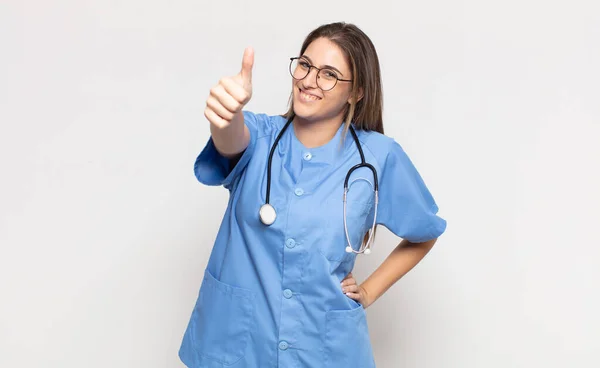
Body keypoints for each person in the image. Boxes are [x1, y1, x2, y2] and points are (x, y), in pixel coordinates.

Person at [179, 22, 447, 368]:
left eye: (329, 74)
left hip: (322, 349)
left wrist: (367, 291)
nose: (308, 80)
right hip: (239, 344)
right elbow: (231, 138)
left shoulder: (378, 157)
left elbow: (424, 234)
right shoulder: (260, 136)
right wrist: (226, 115)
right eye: (305, 65)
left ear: (357, 93)